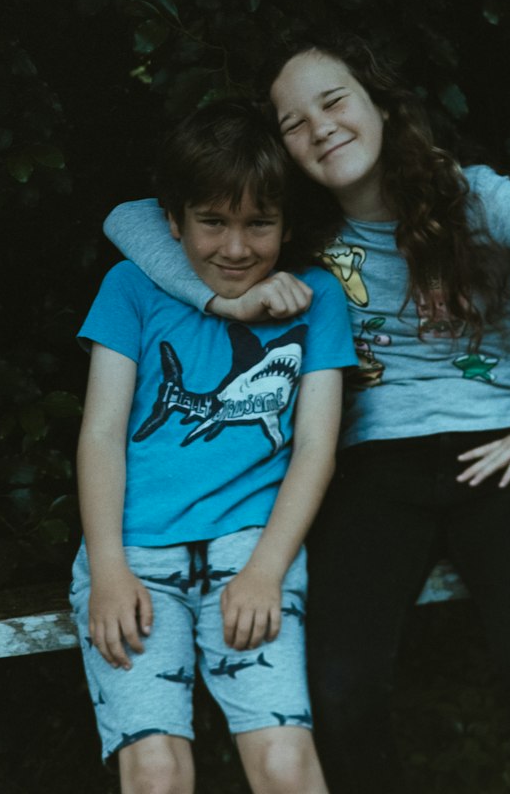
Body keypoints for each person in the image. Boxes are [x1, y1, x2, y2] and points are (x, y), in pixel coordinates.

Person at [103, 36, 510, 794]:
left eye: (334, 102)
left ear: (378, 103)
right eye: (293, 123)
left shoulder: (475, 198)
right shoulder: (296, 222)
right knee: (340, 689)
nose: (320, 129)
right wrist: (222, 298)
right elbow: (131, 220)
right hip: (373, 467)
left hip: (500, 454)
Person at [69, 100, 356, 794]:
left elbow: (317, 445)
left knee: (285, 765)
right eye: (213, 222)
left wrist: (266, 569)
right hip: (134, 555)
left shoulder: (317, 298)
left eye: (259, 223)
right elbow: (102, 432)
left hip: (251, 552)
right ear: (173, 222)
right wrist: (107, 565)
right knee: (157, 772)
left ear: (286, 224)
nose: (235, 247)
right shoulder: (131, 287)